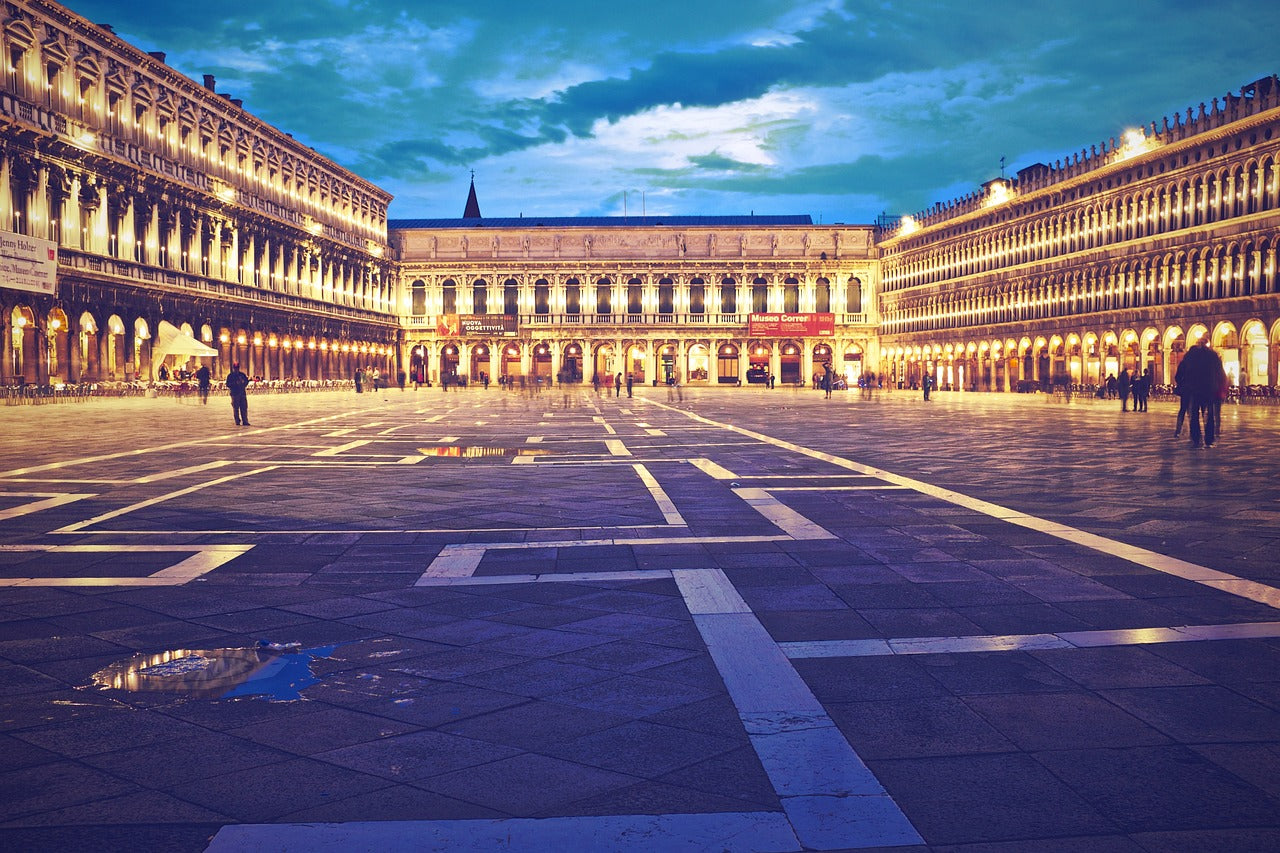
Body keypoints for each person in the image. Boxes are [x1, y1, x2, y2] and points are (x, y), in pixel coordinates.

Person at [1173, 339, 1226, 448]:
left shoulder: (1189, 357)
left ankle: (1196, 438)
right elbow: (1220, 373)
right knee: (1208, 414)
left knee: (1194, 414)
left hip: (1194, 389)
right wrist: (1218, 386)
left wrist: (1185, 384)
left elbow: (1178, 375)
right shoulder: (1213, 357)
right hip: (1209, 389)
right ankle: (1209, 439)